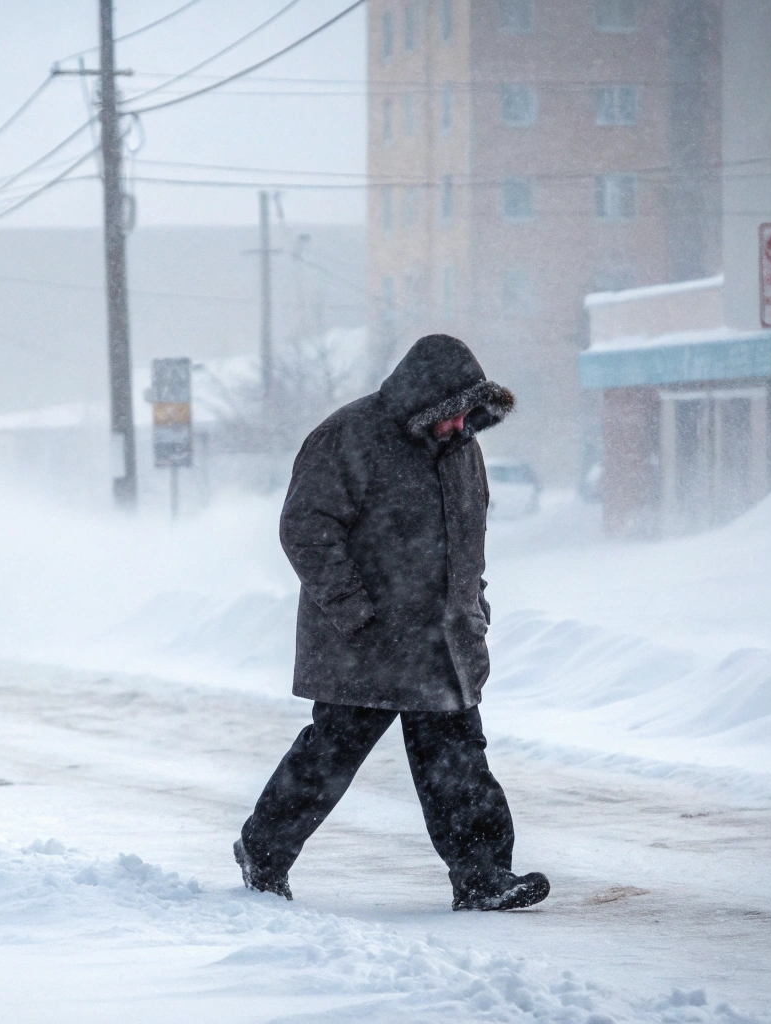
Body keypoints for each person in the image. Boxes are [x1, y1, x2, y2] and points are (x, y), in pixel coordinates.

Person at [234, 333, 550, 912]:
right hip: (364, 642)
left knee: (459, 763)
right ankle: (264, 852)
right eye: (452, 413)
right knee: (330, 756)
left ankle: (482, 877)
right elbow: (305, 528)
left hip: (440, 642)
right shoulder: (348, 437)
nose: (461, 426)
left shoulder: (461, 450)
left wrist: (472, 607)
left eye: (468, 414)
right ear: (423, 402)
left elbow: (467, 541)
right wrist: (355, 611)